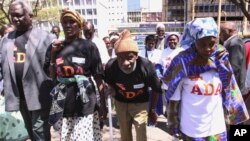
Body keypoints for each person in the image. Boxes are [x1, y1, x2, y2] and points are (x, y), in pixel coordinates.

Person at [163, 17, 249, 140]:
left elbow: (228, 89)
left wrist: (231, 118)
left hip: (217, 129)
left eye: (212, 44)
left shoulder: (221, 59)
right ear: (194, 41)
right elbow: (174, 98)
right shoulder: (182, 63)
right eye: (202, 44)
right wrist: (173, 124)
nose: (208, 49)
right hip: (191, 130)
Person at [47, 9, 107, 141]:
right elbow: (52, 76)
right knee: (67, 138)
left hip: (85, 101)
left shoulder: (89, 46)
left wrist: (103, 104)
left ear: (79, 24)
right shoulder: (56, 47)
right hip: (64, 101)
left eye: (72, 22)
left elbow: (98, 77)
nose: (68, 25)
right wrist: (53, 54)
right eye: (65, 22)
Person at [0, 0, 56, 140]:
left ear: (30, 15)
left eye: (18, 15)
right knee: (30, 131)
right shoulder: (6, 40)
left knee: (39, 132)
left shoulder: (47, 38)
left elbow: (53, 68)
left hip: (39, 95)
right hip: (19, 96)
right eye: (12, 15)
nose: (15, 19)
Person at [104, 29, 162, 141]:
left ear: (136, 55)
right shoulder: (111, 66)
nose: (125, 63)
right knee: (125, 134)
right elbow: (109, 83)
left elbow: (156, 89)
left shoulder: (146, 66)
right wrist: (111, 89)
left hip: (140, 104)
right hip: (121, 103)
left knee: (141, 133)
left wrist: (152, 110)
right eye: (120, 58)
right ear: (116, 56)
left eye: (129, 57)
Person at [156, 32, 184, 118]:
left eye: (174, 39)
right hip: (167, 82)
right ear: (167, 41)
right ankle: (170, 120)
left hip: (180, 82)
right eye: (170, 40)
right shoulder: (163, 52)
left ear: (178, 40)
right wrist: (159, 75)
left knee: (179, 103)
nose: (172, 41)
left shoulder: (182, 51)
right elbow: (158, 65)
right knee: (169, 102)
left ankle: (178, 120)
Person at [220, 21, 246, 93]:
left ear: (229, 31)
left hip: (234, 88)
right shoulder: (231, 42)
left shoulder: (235, 43)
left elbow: (234, 68)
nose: (220, 34)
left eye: (222, 31)